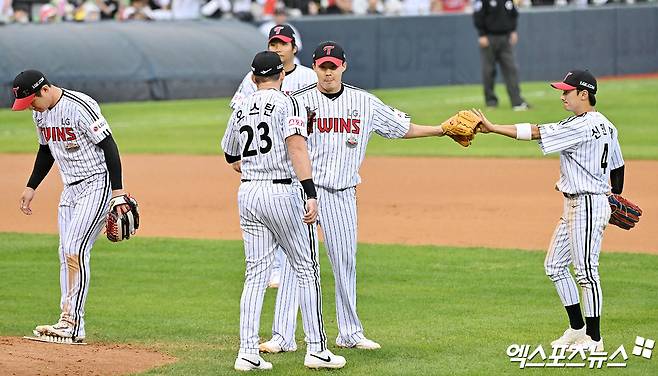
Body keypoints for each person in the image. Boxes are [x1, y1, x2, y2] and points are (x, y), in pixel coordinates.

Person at [259, 41, 454, 353]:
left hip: (341, 194)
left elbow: (402, 128)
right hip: (302, 193)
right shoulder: (295, 101)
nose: (327, 72)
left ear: (343, 66)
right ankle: (282, 337)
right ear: (315, 67)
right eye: (322, 66)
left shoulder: (364, 102)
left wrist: (441, 130)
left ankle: (349, 332)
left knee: (344, 262)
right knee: (299, 263)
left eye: (332, 66)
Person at [474, 69, 624, 351]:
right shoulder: (607, 125)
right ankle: (577, 329)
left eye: (567, 91)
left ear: (584, 94)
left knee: (586, 272)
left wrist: (493, 128)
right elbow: (618, 166)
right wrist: (615, 197)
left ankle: (594, 339)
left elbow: (534, 132)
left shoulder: (580, 126)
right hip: (579, 204)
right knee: (555, 265)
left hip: (588, 203)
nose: (562, 95)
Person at [221, 51, 346, 371]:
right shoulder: (287, 102)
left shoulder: (241, 107)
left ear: (252, 78)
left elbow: (229, 152)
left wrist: (255, 166)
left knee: (255, 274)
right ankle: (317, 350)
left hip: (248, 192)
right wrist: (310, 191)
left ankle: (247, 352)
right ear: (282, 76)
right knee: (307, 268)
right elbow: (297, 147)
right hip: (282, 191)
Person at [12, 70, 132, 343]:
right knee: (65, 252)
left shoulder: (80, 106)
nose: (30, 106)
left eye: (31, 99)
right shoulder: (39, 114)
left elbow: (109, 145)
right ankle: (66, 320)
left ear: (44, 89)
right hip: (70, 189)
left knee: (75, 249)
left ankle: (74, 326)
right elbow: (46, 150)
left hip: (96, 183)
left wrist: (118, 192)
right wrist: (31, 186)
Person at [230, 23, 317, 289]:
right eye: (273, 43)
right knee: (280, 215)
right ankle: (278, 269)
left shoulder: (308, 77)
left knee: (302, 218)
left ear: (294, 47)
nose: (277, 48)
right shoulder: (252, 77)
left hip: (304, 155)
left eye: (282, 43)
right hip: (270, 162)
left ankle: (298, 268)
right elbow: (237, 112)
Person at [472, 0, 529, 111]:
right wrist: (481, 34)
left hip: (505, 38)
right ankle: (491, 101)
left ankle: (517, 102)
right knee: (488, 71)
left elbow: (513, 14)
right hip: (489, 37)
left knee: (511, 69)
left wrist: (513, 30)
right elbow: (478, 15)